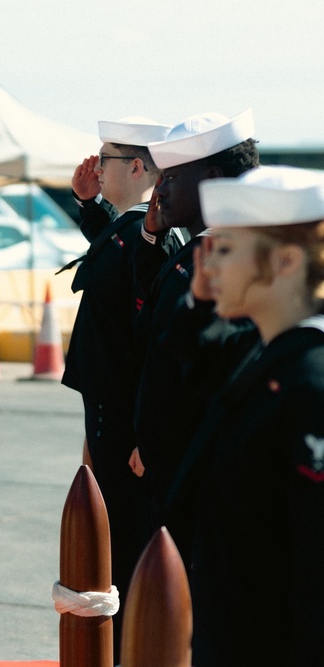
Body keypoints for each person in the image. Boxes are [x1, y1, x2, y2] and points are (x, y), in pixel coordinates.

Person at [165, 166, 324, 665]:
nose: (208, 267)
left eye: (226, 249)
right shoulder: (269, 353)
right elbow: (193, 365)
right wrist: (199, 303)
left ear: (285, 262)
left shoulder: (311, 383)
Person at [130, 110, 259, 561]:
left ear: (213, 180)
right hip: (173, 470)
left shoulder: (238, 264)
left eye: (171, 177)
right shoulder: (196, 249)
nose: (159, 189)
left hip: (203, 480)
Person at [62, 117, 169, 658]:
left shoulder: (154, 235)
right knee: (112, 542)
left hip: (127, 421)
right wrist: (87, 206)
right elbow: (115, 245)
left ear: (135, 166)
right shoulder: (131, 229)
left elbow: (154, 342)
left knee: (126, 544)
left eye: (104, 159)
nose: (95, 167)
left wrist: (145, 432)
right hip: (108, 413)